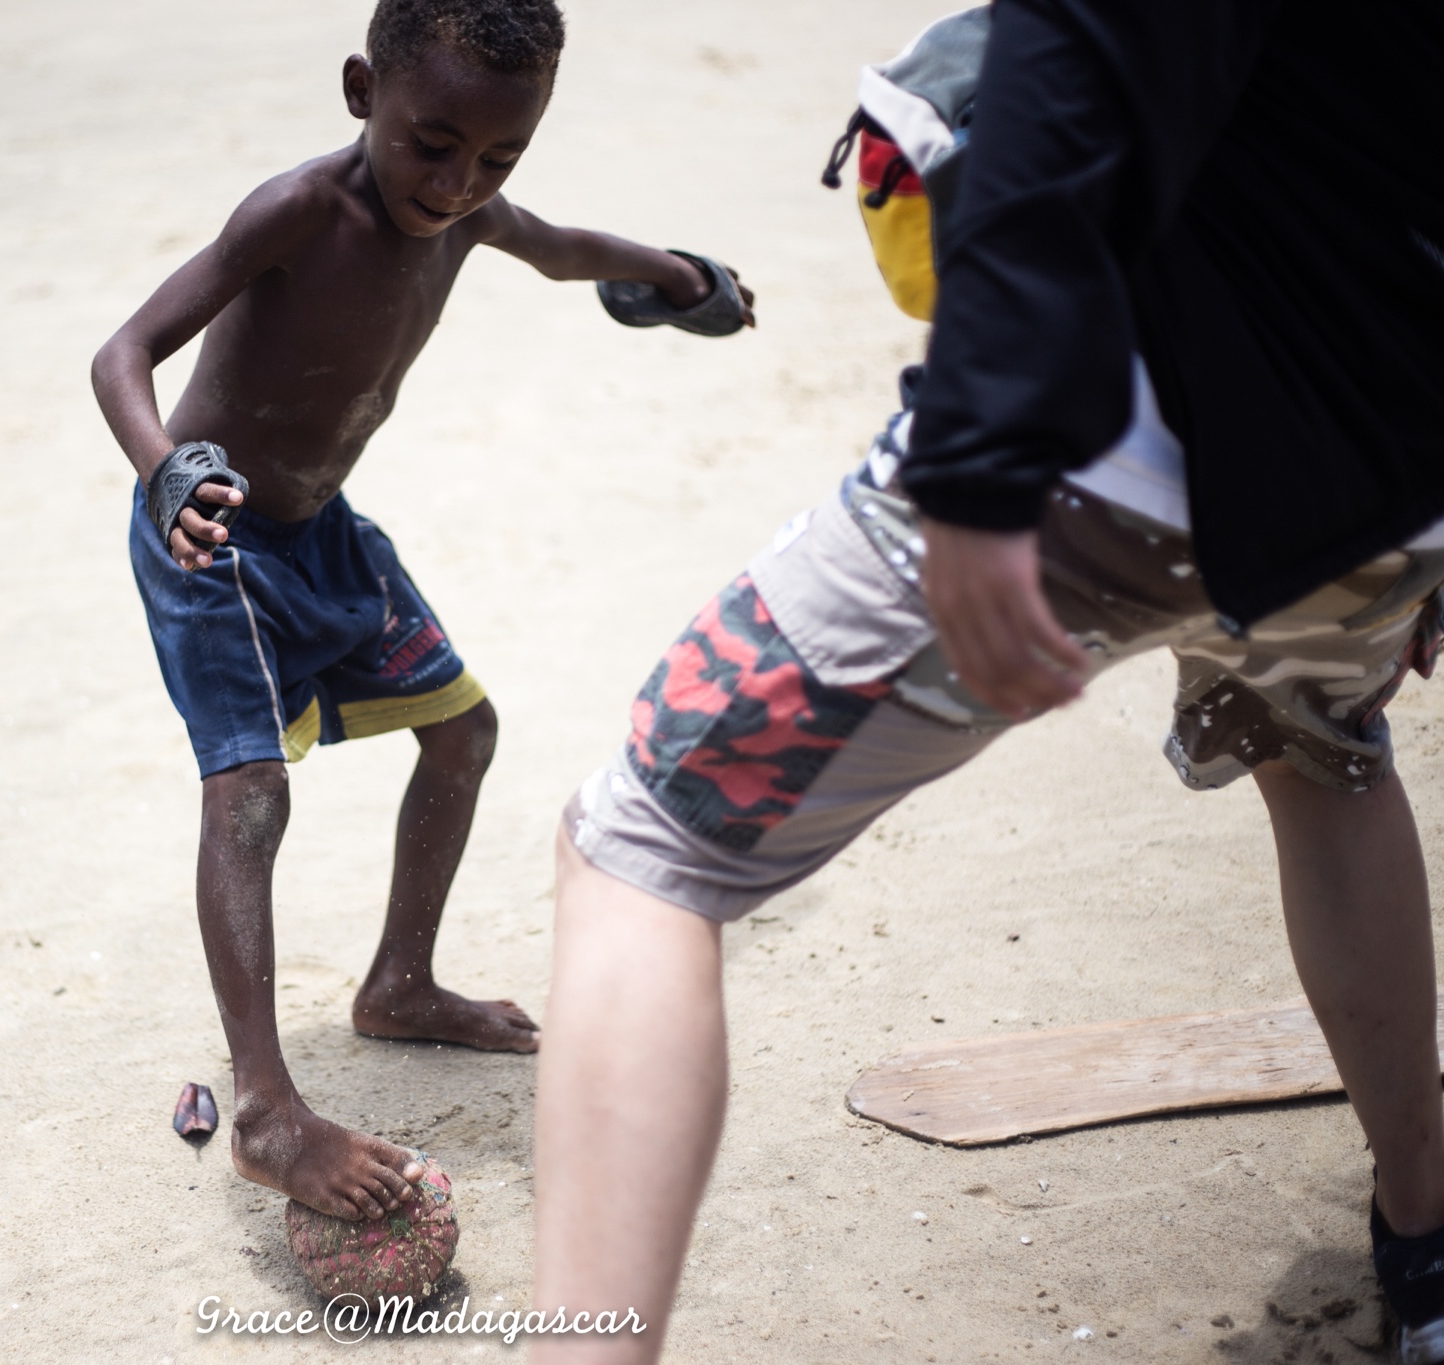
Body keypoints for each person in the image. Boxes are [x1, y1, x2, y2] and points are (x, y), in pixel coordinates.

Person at [529, 0, 1444, 1359]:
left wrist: (974, 454)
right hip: (1390, 470)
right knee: (1319, 758)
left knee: (651, 840)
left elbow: (1073, 62)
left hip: (1117, 470)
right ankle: (1426, 1235)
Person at [91, 0, 753, 1223]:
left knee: (462, 728)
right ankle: (261, 1109)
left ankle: (399, 984)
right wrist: (162, 468)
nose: (456, 186)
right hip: (215, 532)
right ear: (362, 92)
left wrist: (677, 277)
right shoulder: (296, 212)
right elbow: (122, 352)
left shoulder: (468, 216)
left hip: (324, 530)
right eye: (431, 144)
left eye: (497, 158)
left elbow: (558, 249)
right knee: (249, 793)